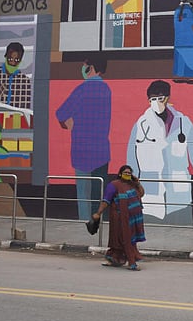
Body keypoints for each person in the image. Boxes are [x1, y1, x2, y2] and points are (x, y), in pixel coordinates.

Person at [127, 80, 193, 224]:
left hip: (178, 191)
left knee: (182, 234)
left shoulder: (184, 122)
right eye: (152, 99)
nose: (156, 102)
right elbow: (131, 156)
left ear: (168, 98)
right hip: (150, 191)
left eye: (160, 98)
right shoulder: (141, 124)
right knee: (149, 234)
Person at [56, 55, 112, 221]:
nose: (82, 68)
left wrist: (69, 123)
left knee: (84, 192)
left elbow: (60, 112)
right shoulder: (106, 89)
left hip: (82, 150)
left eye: (84, 65)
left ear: (91, 67)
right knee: (98, 192)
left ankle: (85, 224)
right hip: (101, 149)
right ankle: (98, 222)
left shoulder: (82, 89)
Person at [92, 165, 146, 271]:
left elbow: (141, 194)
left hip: (133, 219)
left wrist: (137, 182)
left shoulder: (132, 184)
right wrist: (98, 213)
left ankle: (114, 259)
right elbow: (106, 200)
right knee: (126, 239)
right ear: (120, 174)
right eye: (125, 173)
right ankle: (132, 263)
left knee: (127, 239)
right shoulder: (113, 185)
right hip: (120, 218)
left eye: (129, 173)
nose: (127, 175)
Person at [0, 42, 32, 109]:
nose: (13, 63)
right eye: (10, 59)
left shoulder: (24, 81)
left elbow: (25, 107)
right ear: (6, 56)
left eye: (17, 60)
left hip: (15, 117)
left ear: (20, 60)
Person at [172, 0, 193, 83]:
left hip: (179, 40)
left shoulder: (177, 11)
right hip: (190, 41)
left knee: (180, 60)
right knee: (189, 60)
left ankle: (179, 77)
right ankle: (188, 78)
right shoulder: (190, 11)